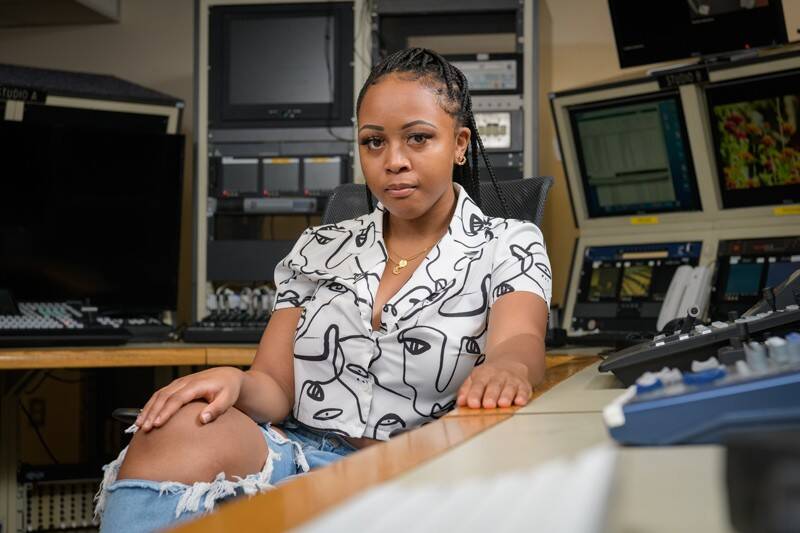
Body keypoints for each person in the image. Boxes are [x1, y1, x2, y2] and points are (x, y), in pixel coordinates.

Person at [94, 48, 552, 532]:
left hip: (417, 468)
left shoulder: (508, 242)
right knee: (174, 429)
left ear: (459, 144)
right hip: (300, 453)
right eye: (374, 143)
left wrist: (506, 367)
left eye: (418, 138)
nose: (393, 161)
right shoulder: (319, 246)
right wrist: (234, 380)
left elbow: (520, 341)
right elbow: (273, 387)